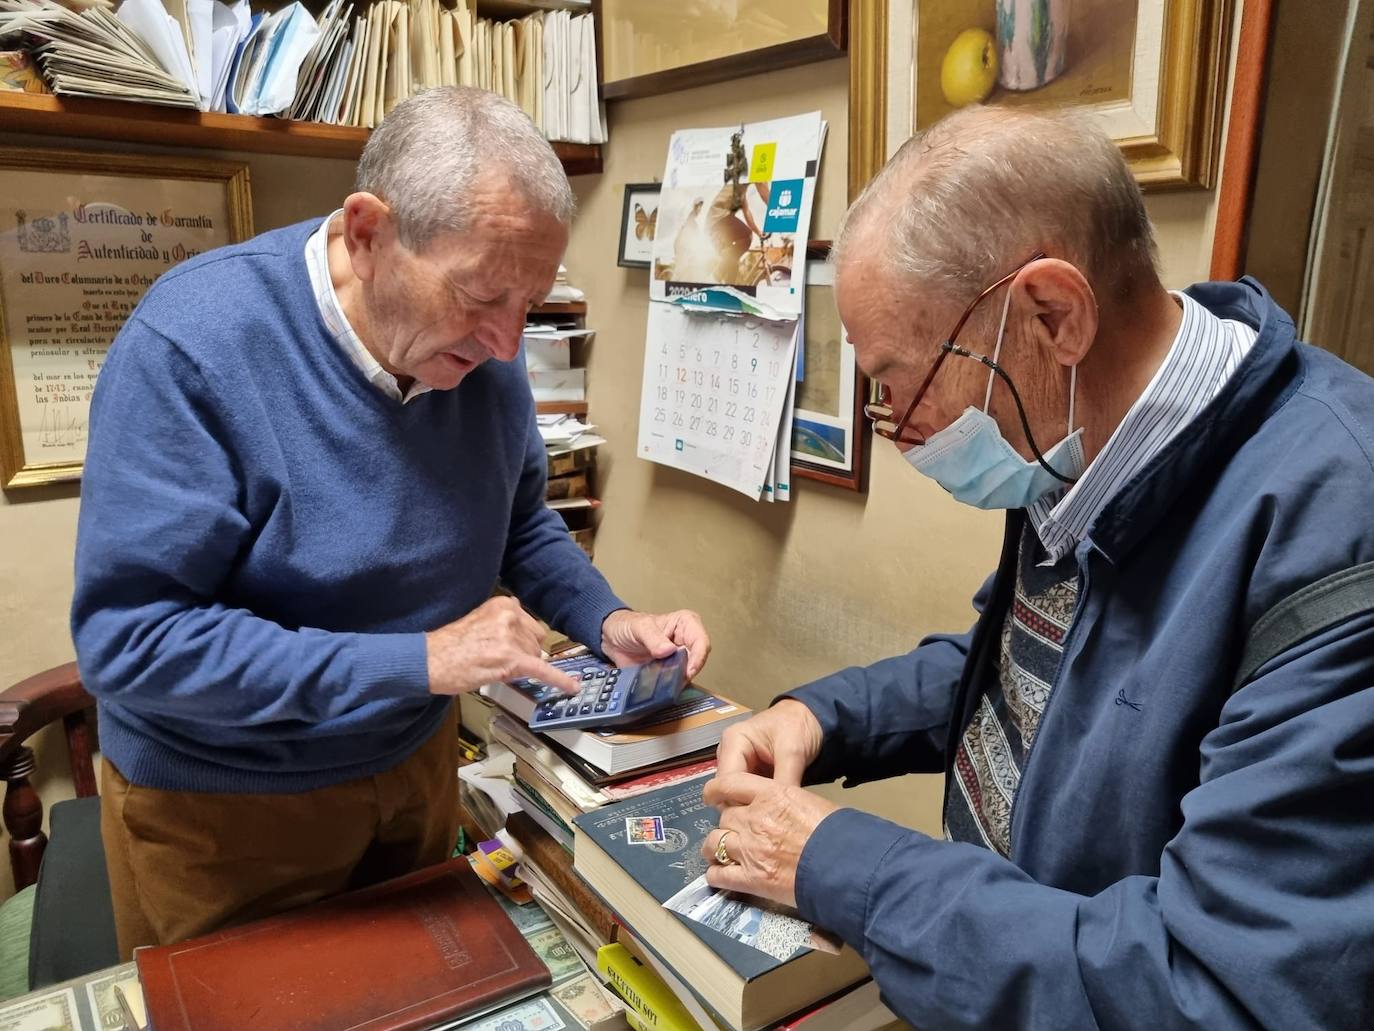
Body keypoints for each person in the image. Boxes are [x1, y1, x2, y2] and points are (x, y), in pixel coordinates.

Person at [701, 106, 1374, 1030]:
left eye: (901, 382)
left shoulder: (1337, 533)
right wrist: (824, 716)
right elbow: (1025, 670)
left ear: (1053, 315)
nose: (898, 430)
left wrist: (842, 865)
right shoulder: (1079, 442)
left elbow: (1214, 993)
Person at [71, 86, 709, 958]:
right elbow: (134, 642)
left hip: (414, 763)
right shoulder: (194, 347)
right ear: (368, 233)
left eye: (530, 301)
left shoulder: (483, 357)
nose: (506, 344)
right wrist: (420, 660)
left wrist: (608, 618)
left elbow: (518, 523)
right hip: (228, 807)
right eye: (483, 295)